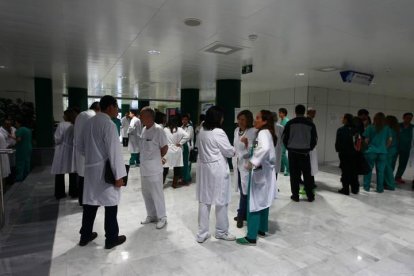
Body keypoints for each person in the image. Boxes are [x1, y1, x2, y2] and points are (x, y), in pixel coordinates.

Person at [78, 95, 127, 249]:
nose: (117, 110)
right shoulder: (109, 124)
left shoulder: (88, 123)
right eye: (117, 107)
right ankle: (111, 238)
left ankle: (85, 236)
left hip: (91, 169)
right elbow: (114, 153)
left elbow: (79, 146)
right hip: (105, 170)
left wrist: (93, 158)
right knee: (111, 204)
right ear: (110, 107)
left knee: (90, 203)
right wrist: (119, 176)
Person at [236, 110, 278, 246]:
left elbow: (264, 149)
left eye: (258, 118)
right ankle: (261, 229)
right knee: (263, 202)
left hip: (259, 173)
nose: (255, 120)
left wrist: (253, 162)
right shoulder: (267, 132)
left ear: (265, 121)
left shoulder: (262, 133)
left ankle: (251, 236)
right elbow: (259, 148)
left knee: (253, 204)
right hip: (265, 173)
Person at [196, 106, 236, 243]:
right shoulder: (218, 132)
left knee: (204, 201)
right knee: (221, 200)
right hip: (217, 169)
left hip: (204, 169)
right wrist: (236, 150)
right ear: (218, 118)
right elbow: (228, 151)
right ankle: (221, 232)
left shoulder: (201, 131)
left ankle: (202, 233)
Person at [139, 107, 169, 229]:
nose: (140, 118)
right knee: (146, 193)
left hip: (154, 169)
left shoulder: (158, 130)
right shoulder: (143, 130)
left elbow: (165, 147)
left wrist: (157, 158)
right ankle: (151, 215)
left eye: (142, 116)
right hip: (144, 168)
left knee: (157, 194)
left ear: (150, 117)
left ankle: (162, 217)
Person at [282, 104, 317, 202]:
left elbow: (284, 138)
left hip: (293, 152)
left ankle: (295, 196)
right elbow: (315, 139)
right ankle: (310, 196)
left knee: (294, 175)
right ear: (304, 112)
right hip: (305, 153)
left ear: (295, 112)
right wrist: (309, 148)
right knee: (307, 175)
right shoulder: (310, 124)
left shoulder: (290, 123)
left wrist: (289, 147)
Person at [73, 102, 100, 206]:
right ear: (98, 109)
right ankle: (88, 201)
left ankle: (81, 200)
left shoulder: (81, 115)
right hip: (88, 152)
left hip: (80, 151)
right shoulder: (92, 116)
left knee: (82, 178)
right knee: (89, 179)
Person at [233, 110, 256, 228]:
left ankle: (241, 215)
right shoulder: (236, 130)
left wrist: (247, 144)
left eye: (243, 119)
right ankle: (243, 213)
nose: (240, 122)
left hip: (246, 165)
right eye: (239, 119)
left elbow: (253, 150)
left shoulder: (252, 131)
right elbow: (235, 147)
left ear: (248, 120)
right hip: (237, 165)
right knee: (242, 190)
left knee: (245, 191)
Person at [51, 109, 78, 199]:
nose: (63, 116)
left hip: (61, 150)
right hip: (72, 150)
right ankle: (74, 192)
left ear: (67, 116)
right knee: (73, 171)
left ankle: (60, 193)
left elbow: (57, 139)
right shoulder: (75, 125)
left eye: (64, 115)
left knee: (59, 172)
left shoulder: (62, 125)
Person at [363, 112, 392, 193]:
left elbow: (366, 140)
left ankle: (366, 187)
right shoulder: (387, 128)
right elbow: (390, 140)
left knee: (368, 170)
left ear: (374, 118)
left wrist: (369, 146)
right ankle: (380, 189)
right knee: (381, 172)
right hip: (383, 152)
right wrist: (384, 147)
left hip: (371, 151)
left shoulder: (370, 127)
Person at [335, 114, 359, 195]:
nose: (342, 119)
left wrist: (338, 150)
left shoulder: (341, 130)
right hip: (354, 154)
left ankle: (345, 189)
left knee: (345, 171)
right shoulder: (356, 130)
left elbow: (338, 143)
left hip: (344, 154)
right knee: (354, 171)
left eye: (343, 118)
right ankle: (355, 189)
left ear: (346, 119)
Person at [163, 115, 190, 188]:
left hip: (168, 150)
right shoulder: (180, 129)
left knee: (165, 167)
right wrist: (180, 143)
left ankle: (161, 183)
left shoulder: (165, 129)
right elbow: (187, 136)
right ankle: (174, 184)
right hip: (177, 150)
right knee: (177, 167)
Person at [395, 112, 413, 184]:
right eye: (407, 118)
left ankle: (398, 177)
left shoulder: (412, 127)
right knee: (392, 162)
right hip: (396, 147)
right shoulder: (397, 126)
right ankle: (388, 176)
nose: (409, 119)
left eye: (410, 118)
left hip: (406, 148)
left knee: (403, 164)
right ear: (403, 117)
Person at [14, 117, 32, 182]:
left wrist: (11, 136)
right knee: (27, 163)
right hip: (28, 148)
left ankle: (19, 178)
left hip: (21, 149)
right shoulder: (28, 130)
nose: (15, 125)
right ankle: (26, 177)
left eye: (16, 123)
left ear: (19, 123)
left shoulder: (20, 129)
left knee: (20, 164)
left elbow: (19, 139)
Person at [384, 115, 398, 190]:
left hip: (389, 150)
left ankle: (390, 184)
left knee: (387, 168)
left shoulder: (389, 129)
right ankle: (387, 183)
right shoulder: (395, 129)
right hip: (394, 150)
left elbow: (389, 141)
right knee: (390, 167)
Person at [181, 114, 194, 185]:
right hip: (181, 146)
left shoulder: (190, 127)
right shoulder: (180, 127)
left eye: (185, 119)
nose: (184, 121)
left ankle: (187, 178)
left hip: (187, 146)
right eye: (183, 119)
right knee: (182, 163)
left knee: (186, 163)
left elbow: (188, 137)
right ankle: (183, 177)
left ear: (188, 120)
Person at [272, 112, 284, 177]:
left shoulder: (265, 127)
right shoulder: (280, 127)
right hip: (277, 149)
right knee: (275, 168)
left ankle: (271, 186)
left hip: (270, 150)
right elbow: (283, 139)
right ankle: (274, 186)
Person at [278, 108, 290, 176]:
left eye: (280, 113)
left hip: (285, 140)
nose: (279, 114)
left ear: (284, 113)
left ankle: (288, 169)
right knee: (281, 153)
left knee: (282, 154)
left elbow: (287, 131)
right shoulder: (282, 120)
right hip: (281, 139)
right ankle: (282, 168)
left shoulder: (287, 121)